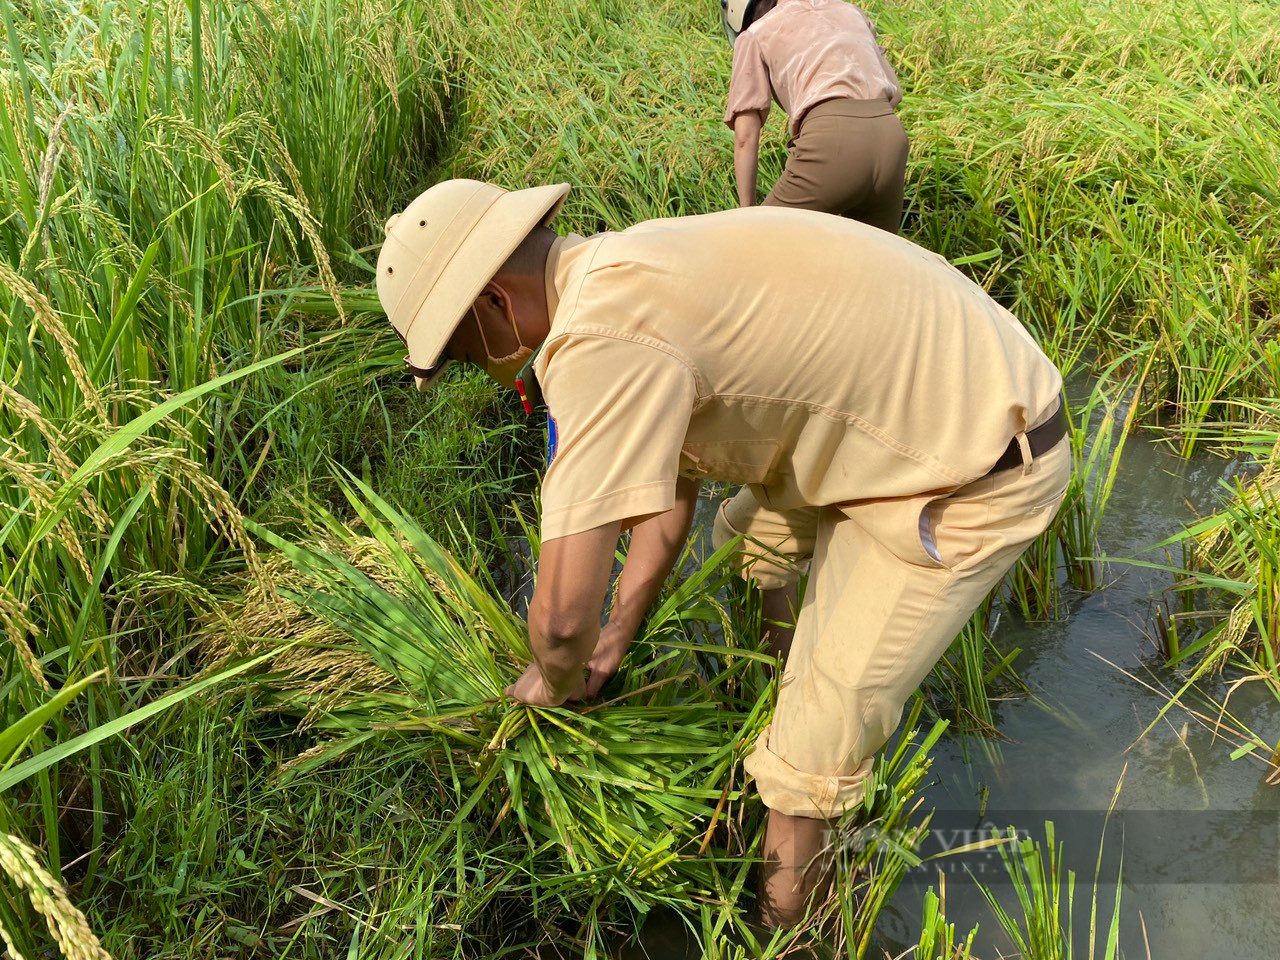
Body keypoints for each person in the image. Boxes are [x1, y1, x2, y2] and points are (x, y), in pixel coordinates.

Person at [377, 179, 1071, 927]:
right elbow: (669, 488)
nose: (474, 373)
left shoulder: (598, 345)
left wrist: (551, 678)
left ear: (493, 305)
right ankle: (787, 696)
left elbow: (559, 621)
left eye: (458, 354)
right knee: (745, 541)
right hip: (904, 413)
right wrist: (620, 633)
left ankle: (794, 926)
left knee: (800, 774)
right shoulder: (619, 269)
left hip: (968, 464)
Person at [722, 0, 909, 232]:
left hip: (832, 143)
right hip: (890, 138)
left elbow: (745, 137)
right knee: (873, 262)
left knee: (759, 241)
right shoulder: (850, 12)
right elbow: (895, 93)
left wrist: (746, 216)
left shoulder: (755, 34)